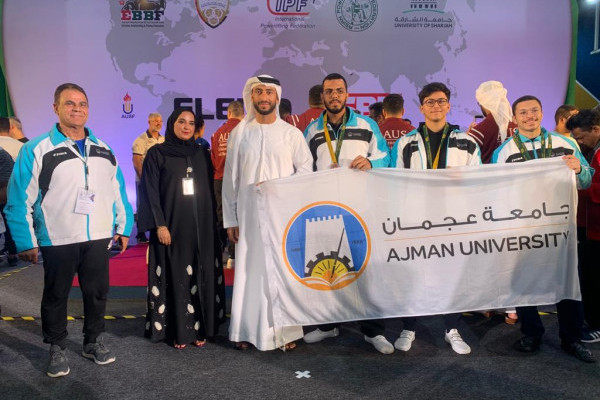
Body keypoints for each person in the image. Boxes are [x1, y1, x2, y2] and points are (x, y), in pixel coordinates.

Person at [4, 83, 134, 377]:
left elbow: (118, 191)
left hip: (98, 236)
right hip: (57, 236)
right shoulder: (37, 149)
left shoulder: (104, 148)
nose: (77, 109)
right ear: (56, 108)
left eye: (82, 104)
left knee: (97, 293)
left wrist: (124, 227)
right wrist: (25, 241)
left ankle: (93, 340)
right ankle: (57, 345)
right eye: (70, 103)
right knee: (56, 295)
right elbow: (18, 199)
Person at [492, 95, 595, 363]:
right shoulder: (503, 152)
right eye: (523, 112)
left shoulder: (566, 143)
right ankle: (532, 333)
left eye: (534, 110)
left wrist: (578, 169)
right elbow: (496, 192)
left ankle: (572, 338)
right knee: (524, 280)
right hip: (524, 229)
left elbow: (586, 181)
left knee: (567, 280)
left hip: (561, 228)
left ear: (542, 112)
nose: (530, 116)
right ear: (515, 118)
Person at [303, 73, 393, 354]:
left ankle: (373, 331)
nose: (334, 96)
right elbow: (304, 168)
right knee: (330, 267)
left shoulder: (367, 125)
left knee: (366, 270)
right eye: (329, 91)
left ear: (347, 94)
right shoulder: (312, 130)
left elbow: (386, 156)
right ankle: (329, 324)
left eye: (339, 90)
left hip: (361, 209)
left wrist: (371, 161)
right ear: (322, 96)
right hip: (326, 210)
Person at [222, 75, 313, 351]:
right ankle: (245, 331)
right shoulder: (240, 134)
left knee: (281, 271)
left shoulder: (291, 134)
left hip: (281, 216)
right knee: (248, 270)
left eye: (269, 93)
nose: (264, 97)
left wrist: (281, 188)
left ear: (277, 97)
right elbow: (230, 180)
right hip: (248, 215)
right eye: (259, 92)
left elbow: (306, 171)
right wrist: (231, 218)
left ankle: (285, 333)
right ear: (251, 96)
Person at [391, 82, 480, 355]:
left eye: (441, 101)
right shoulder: (406, 142)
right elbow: (396, 182)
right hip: (416, 219)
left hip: (452, 219)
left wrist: (463, 180)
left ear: (448, 106)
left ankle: (451, 328)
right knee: (413, 274)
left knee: (451, 276)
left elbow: (479, 181)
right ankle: (409, 327)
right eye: (430, 102)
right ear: (421, 108)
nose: (436, 106)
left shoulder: (467, 142)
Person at [138, 108, 226, 349]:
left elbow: (210, 190)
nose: (186, 127)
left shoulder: (201, 153)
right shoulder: (157, 154)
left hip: (202, 227)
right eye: (181, 121)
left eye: (191, 123)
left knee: (201, 272)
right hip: (172, 227)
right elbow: (150, 192)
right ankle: (180, 330)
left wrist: (215, 224)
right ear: (172, 123)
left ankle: (202, 328)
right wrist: (160, 225)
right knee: (177, 274)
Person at [566, 110, 600, 344]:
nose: (579, 142)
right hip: (588, 227)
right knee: (588, 276)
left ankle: (596, 325)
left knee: (595, 278)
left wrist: (580, 187)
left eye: (580, 137)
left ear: (595, 129)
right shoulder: (592, 151)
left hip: (596, 228)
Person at [211, 100, 243, 269]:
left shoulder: (217, 133)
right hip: (239, 179)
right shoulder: (245, 129)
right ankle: (234, 254)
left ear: (228, 113)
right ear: (242, 114)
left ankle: (218, 253)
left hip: (219, 178)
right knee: (239, 216)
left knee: (222, 217)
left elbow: (213, 159)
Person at [132, 113, 164, 243]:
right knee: (143, 204)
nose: (158, 123)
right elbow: (137, 161)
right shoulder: (141, 140)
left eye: (160, 121)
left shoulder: (163, 140)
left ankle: (156, 229)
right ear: (149, 122)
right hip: (144, 179)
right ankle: (140, 233)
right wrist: (143, 178)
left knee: (157, 204)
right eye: (155, 121)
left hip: (159, 180)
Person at [467, 81, 517, 164]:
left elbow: (466, 158)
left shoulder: (479, 130)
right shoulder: (519, 124)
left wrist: (465, 138)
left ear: (484, 103)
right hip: (517, 171)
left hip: (489, 172)